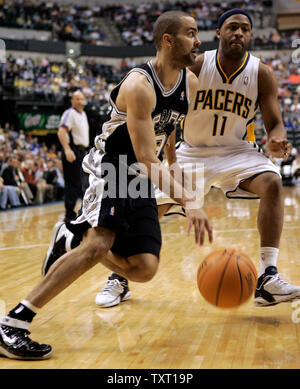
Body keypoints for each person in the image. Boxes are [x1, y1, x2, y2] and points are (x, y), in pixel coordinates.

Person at [0, 11, 213, 360]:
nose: (198, 41)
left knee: (144, 268)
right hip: (113, 166)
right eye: (191, 33)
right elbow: (144, 155)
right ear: (168, 40)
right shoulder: (138, 86)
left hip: (142, 172)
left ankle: (70, 236)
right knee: (99, 245)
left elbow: (168, 127)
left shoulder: (189, 83)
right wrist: (189, 200)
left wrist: (173, 164)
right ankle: (14, 322)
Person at [94, 8, 300, 308]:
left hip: (235, 151)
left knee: (272, 182)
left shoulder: (262, 73)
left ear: (251, 35)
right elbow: (169, 115)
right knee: (151, 205)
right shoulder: (197, 65)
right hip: (191, 150)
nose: (238, 33)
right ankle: (119, 278)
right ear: (218, 33)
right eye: (231, 27)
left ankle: (268, 277)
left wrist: (278, 138)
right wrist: (171, 160)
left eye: (245, 28)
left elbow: (274, 122)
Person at [58, 90, 90, 222]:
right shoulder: (69, 113)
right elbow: (61, 132)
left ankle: (84, 211)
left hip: (82, 152)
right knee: (72, 184)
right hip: (72, 150)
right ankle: (69, 214)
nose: (79, 100)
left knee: (84, 183)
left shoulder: (83, 114)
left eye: (81, 98)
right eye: (76, 98)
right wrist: (67, 149)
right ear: (72, 101)